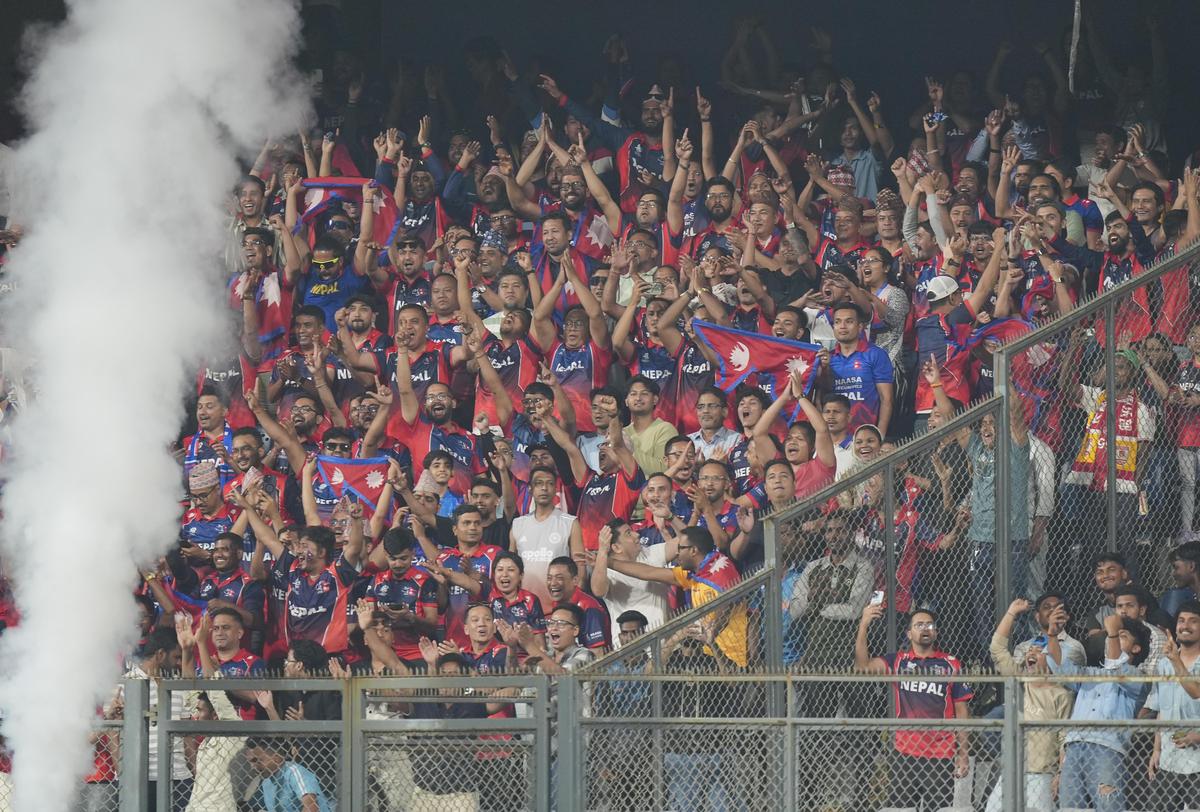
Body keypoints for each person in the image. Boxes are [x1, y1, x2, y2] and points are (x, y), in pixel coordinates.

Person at [855, 604, 972, 811]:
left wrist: (963, 753)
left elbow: (962, 712)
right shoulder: (898, 661)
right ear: (909, 633)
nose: (925, 628)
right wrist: (864, 624)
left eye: (930, 625)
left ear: (936, 632)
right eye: (919, 625)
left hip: (940, 754)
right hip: (904, 753)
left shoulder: (951, 664)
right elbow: (863, 667)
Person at [1049, 612, 1152, 812]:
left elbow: (1117, 668)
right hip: (1074, 745)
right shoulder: (1091, 673)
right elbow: (1061, 667)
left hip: (1107, 748)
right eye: (1112, 636)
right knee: (1070, 807)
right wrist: (1053, 635)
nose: (1112, 638)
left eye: (1122, 636)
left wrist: (1112, 632)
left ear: (1136, 648)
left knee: (1108, 806)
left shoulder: (1138, 678)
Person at [605, 527, 747, 667]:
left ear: (693, 550)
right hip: (710, 657)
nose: (677, 554)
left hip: (734, 658)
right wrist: (608, 562)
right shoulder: (697, 573)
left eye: (681, 548)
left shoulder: (721, 570)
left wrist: (712, 631)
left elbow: (728, 602)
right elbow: (649, 572)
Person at [984, 599, 1076, 812]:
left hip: (1041, 774)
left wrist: (1061, 775)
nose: (1031, 654)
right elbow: (997, 648)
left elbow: (1064, 739)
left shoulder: (1060, 694)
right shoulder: (1018, 681)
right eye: (1030, 650)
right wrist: (1011, 612)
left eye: (1039, 651)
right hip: (1011, 770)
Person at [1143, 601, 1200, 810]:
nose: (1185, 626)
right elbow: (1161, 710)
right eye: (1182, 621)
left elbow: (1197, 694)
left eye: (1193, 621)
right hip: (1168, 760)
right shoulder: (1164, 664)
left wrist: (1197, 736)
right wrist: (1156, 749)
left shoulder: (1172, 661)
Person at [592, 520, 675, 643]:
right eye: (628, 533)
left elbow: (684, 544)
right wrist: (602, 552)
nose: (637, 535)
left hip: (665, 645)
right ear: (616, 547)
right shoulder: (606, 571)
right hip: (629, 651)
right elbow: (598, 591)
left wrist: (671, 517)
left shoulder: (649, 554)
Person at [243, 738, 333, 812]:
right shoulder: (266, 781)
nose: (252, 767)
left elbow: (311, 807)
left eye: (256, 760)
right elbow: (251, 807)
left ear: (276, 758)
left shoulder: (294, 772)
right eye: (250, 762)